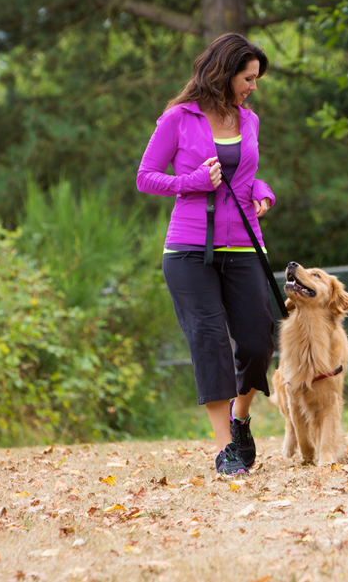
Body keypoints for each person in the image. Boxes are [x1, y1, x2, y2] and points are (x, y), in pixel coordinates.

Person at [136, 33, 276, 476]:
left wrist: (263, 192)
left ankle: (240, 418)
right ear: (225, 72)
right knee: (210, 340)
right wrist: (190, 182)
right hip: (188, 248)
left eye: (255, 78)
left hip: (244, 243)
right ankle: (225, 449)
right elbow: (146, 176)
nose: (253, 86)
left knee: (258, 340)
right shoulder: (178, 118)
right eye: (248, 78)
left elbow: (246, 175)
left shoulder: (249, 120)